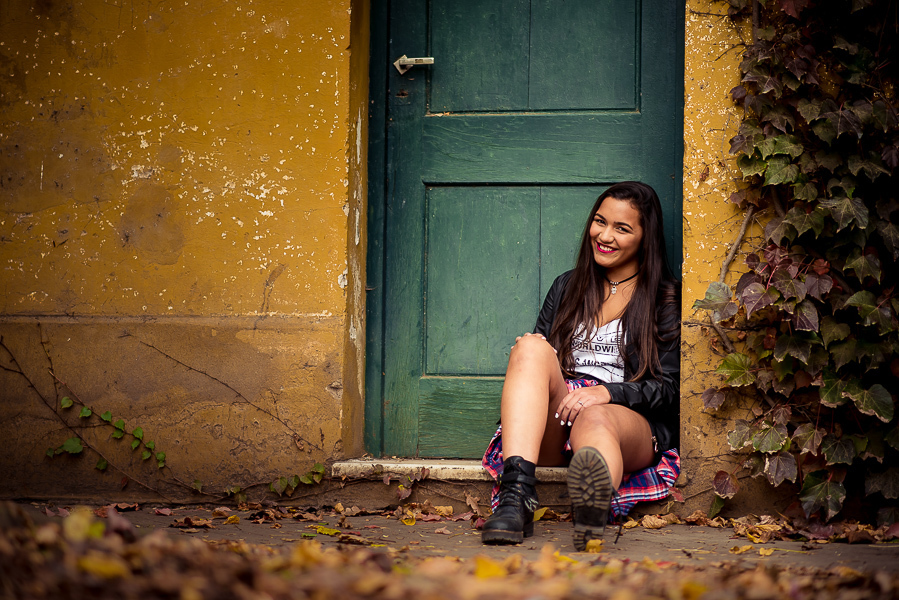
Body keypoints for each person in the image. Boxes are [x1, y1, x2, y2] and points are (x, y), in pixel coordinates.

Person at [480, 181, 680, 550]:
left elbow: (669, 389)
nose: (604, 236)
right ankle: (516, 496)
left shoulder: (665, 297)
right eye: (600, 222)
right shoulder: (567, 286)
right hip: (560, 416)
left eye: (622, 228)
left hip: (623, 418)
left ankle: (595, 504)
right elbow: (543, 360)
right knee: (529, 347)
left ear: (645, 237)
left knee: (595, 417)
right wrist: (535, 360)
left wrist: (606, 392)